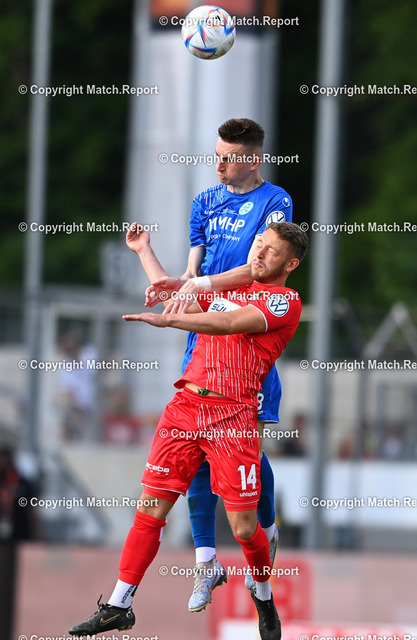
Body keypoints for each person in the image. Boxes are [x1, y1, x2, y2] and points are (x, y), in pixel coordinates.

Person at [69, 221, 308, 640]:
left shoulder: (285, 301)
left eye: (271, 251)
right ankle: (118, 605)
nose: (259, 253)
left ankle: (262, 593)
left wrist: (171, 323)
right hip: (184, 408)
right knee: (150, 507)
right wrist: (143, 251)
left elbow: (229, 324)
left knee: (244, 528)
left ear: (290, 264)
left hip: (233, 416)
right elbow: (174, 297)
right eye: (259, 243)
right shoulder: (231, 286)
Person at [164, 118, 294, 611]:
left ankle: (267, 529)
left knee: (245, 448)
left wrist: (202, 286)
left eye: (230, 158)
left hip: (245, 329)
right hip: (205, 332)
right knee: (197, 448)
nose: (219, 165)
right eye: (216, 156)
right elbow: (194, 263)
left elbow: (258, 267)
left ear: (254, 160)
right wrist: (185, 281)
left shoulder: (275, 200)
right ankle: (205, 561)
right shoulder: (204, 200)